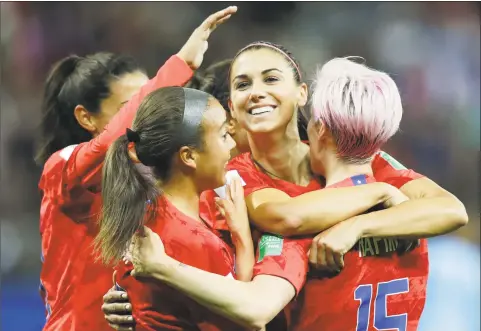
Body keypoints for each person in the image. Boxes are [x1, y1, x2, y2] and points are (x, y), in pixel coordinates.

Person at [103, 42, 467, 330]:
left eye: (271, 79)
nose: (257, 92)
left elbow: (451, 210)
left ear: (303, 94)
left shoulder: (350, 154)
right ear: (232, 108)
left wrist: (358, 226)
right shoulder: (232, 176)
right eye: (243, 84)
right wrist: (132, 292)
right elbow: (286, 216)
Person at [36, 6, 237, 331]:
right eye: (132, 105)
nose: (147, 116)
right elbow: (106, 145)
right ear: (85, 117)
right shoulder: (62, 169)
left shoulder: (163, 176)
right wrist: (179, 65)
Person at [95, 86, 255, 331]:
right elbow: (245, 318)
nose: (232, 144)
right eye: (223, 135)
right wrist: (243, 237)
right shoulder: (192, 241)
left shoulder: (145, 213)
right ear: (189, 156)